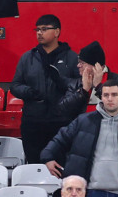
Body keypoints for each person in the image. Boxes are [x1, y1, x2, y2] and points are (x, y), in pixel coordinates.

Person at [10, 13, 85, 164]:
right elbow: (15, 85)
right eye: (37, 29)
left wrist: (62, 82)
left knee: (60, 166)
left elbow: (80, 86)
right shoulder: (27, 58)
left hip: (62, 122)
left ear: (57, 32)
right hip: (33, 121)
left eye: (44, 29)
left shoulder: (72, 58)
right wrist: (28, 92)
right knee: (34, 166)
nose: (39, 33)